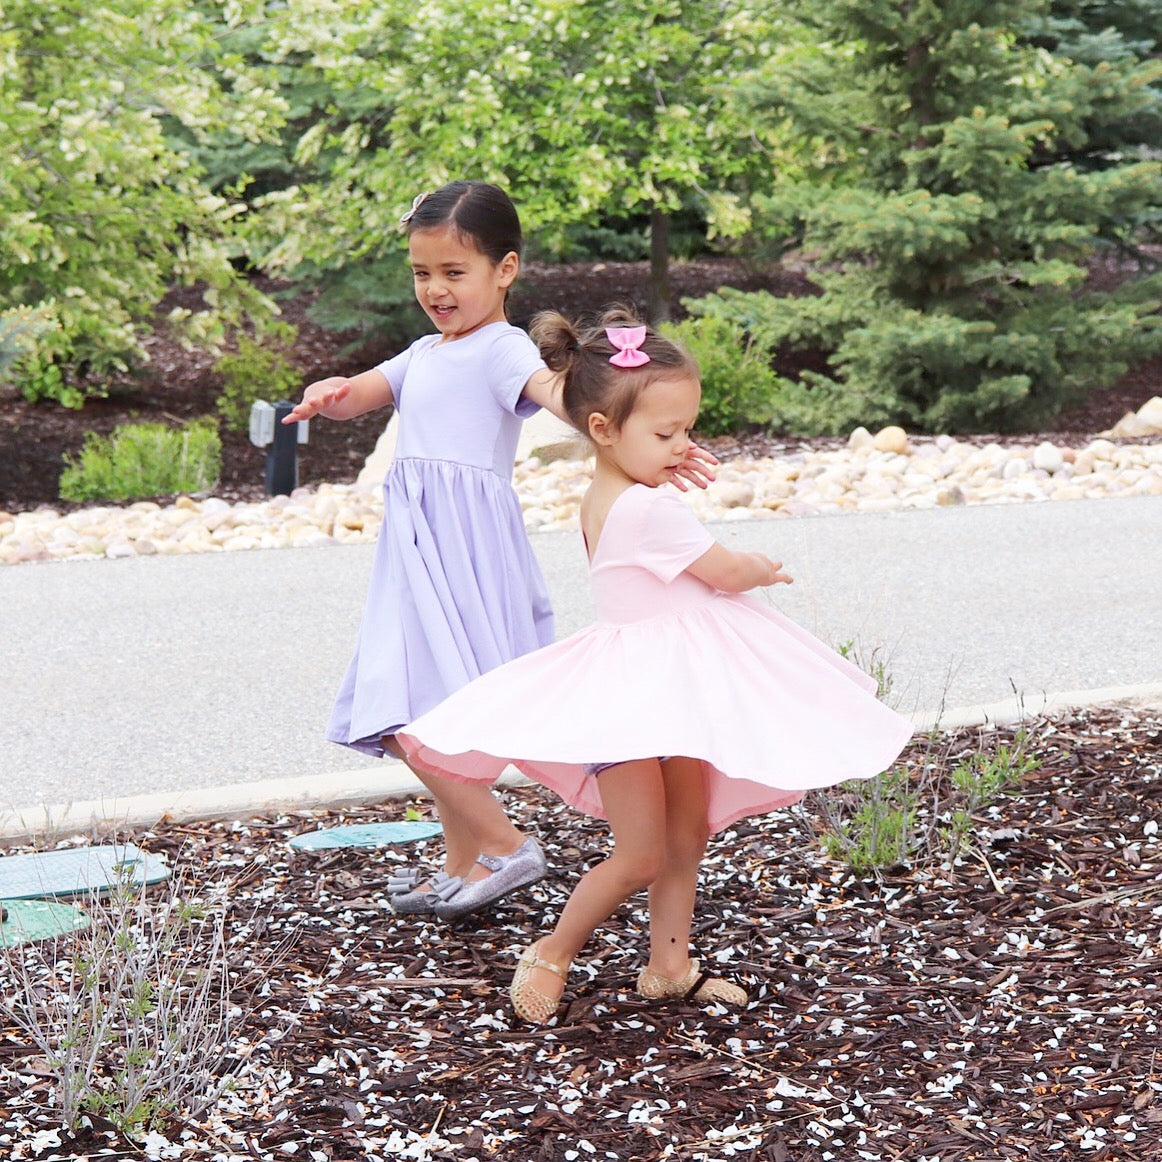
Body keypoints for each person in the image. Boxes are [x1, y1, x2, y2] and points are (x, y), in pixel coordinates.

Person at [399, 308, 915, 1022]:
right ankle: (551, 953)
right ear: (605, 430)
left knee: (686, 832)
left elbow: (653, 546)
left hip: (660, 689)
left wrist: (662, 464)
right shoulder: (650, 511)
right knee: (642, 852)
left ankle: (671, 965)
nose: (682, 446)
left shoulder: (610, 492)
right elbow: (724, 571)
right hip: (641, 699)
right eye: (667, 434)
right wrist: (759, 567)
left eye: (687, 431)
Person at [283, 182, 714, 922]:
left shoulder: (499, 351)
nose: (435, 290)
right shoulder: (425, 353)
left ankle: (506, 843)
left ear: (505, 270)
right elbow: (365, 391)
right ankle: (464, 863)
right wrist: (331, 394)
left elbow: (560, 395)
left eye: (455, 273)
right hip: (418, 555)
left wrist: (653, 431)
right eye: (422, 273)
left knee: (400, 719)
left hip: (464, 558)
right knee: (442, 714)